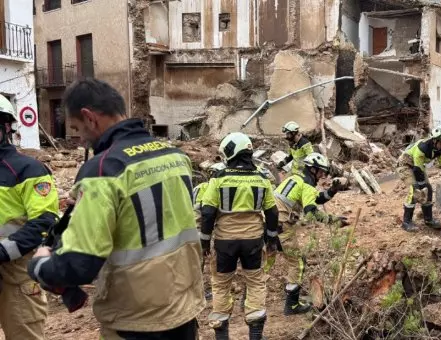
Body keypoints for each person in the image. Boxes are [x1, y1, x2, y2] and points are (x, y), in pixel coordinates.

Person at [27, 79, 204, 340]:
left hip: (135, 319)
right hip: (184, 307)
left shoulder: (102, 169)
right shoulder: (174, 156)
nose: (80, 140)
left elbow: (80, 264)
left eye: (77, 128)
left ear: (90, 118)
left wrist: (40, 264)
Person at [200, 132, 280, 340]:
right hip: (253, 240)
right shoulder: (262, 177)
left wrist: (204, 241)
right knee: (255, 283)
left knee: (220, 284)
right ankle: (254, 334)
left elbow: (207, 212)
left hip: (225, 242)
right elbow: (272, 212)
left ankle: (221, 335)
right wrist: (271, 239)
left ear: (230, 152)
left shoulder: (219, 178)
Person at [0, 96, 58, 339]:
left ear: (5, 127)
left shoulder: (28, 170)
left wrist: (3, 251)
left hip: (16, 275)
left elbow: (45, 221)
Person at [270, 152, 349, 315]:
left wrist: (332, 190)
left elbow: (316, 198)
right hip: (282, 224)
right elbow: (311, 212)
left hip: (269, 221)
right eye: (321, 172)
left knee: (267, 260)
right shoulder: (306, 184)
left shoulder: (296, 178)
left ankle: (247, 298)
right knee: (297, 262)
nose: (322, 176)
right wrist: (333, 220)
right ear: (313, 169)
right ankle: (291, 306)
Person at [396, 125, 441, 232]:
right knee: (415, 190)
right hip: (405, 165)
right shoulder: (422, 147)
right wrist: (421, 186)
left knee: (428, 189)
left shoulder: (440, 150)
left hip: (418, 166)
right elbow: (417, 169)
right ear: (434, 140)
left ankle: (428, 220)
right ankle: (406, 222)